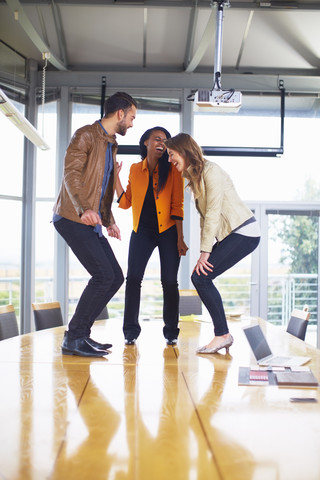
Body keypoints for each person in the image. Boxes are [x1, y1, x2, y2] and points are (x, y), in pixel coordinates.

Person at [53, 91, 137, 357]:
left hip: (92, 219)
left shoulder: (111, 144)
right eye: (132, 117)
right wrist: (84, 209)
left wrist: (108, 220)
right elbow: (71, 174)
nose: (133, 124)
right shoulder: (86, 135)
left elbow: (103, 186)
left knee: (115, 276)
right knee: (103, 275)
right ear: (120, 113)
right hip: (71, 216)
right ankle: (74, 338)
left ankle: (80, 336)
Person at [165, 133, 260, 354]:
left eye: (171, 154)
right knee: (200, 277)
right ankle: (223, 334)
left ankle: (223, 335)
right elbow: (204, 218)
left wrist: (205, 252)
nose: (170, 160)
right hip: (234, 234)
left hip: (244, 231)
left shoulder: (211, 171)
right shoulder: (195, 177)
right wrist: (203, 249)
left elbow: (214, 213)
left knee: (201, 276)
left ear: (184, 150)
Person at [116, 127, 188, 345]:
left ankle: (171, 332)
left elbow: (177, 205)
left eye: (166, 141)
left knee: (169, 281)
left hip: (167, 231)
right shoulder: (135, 169)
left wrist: (180, 238)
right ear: (145, 142)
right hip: (142, 232)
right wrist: (114, 177)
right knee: (133, 279)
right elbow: (125, 202)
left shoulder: (174, 170)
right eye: (157, 139)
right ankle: (130, 332)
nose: (162, 143)